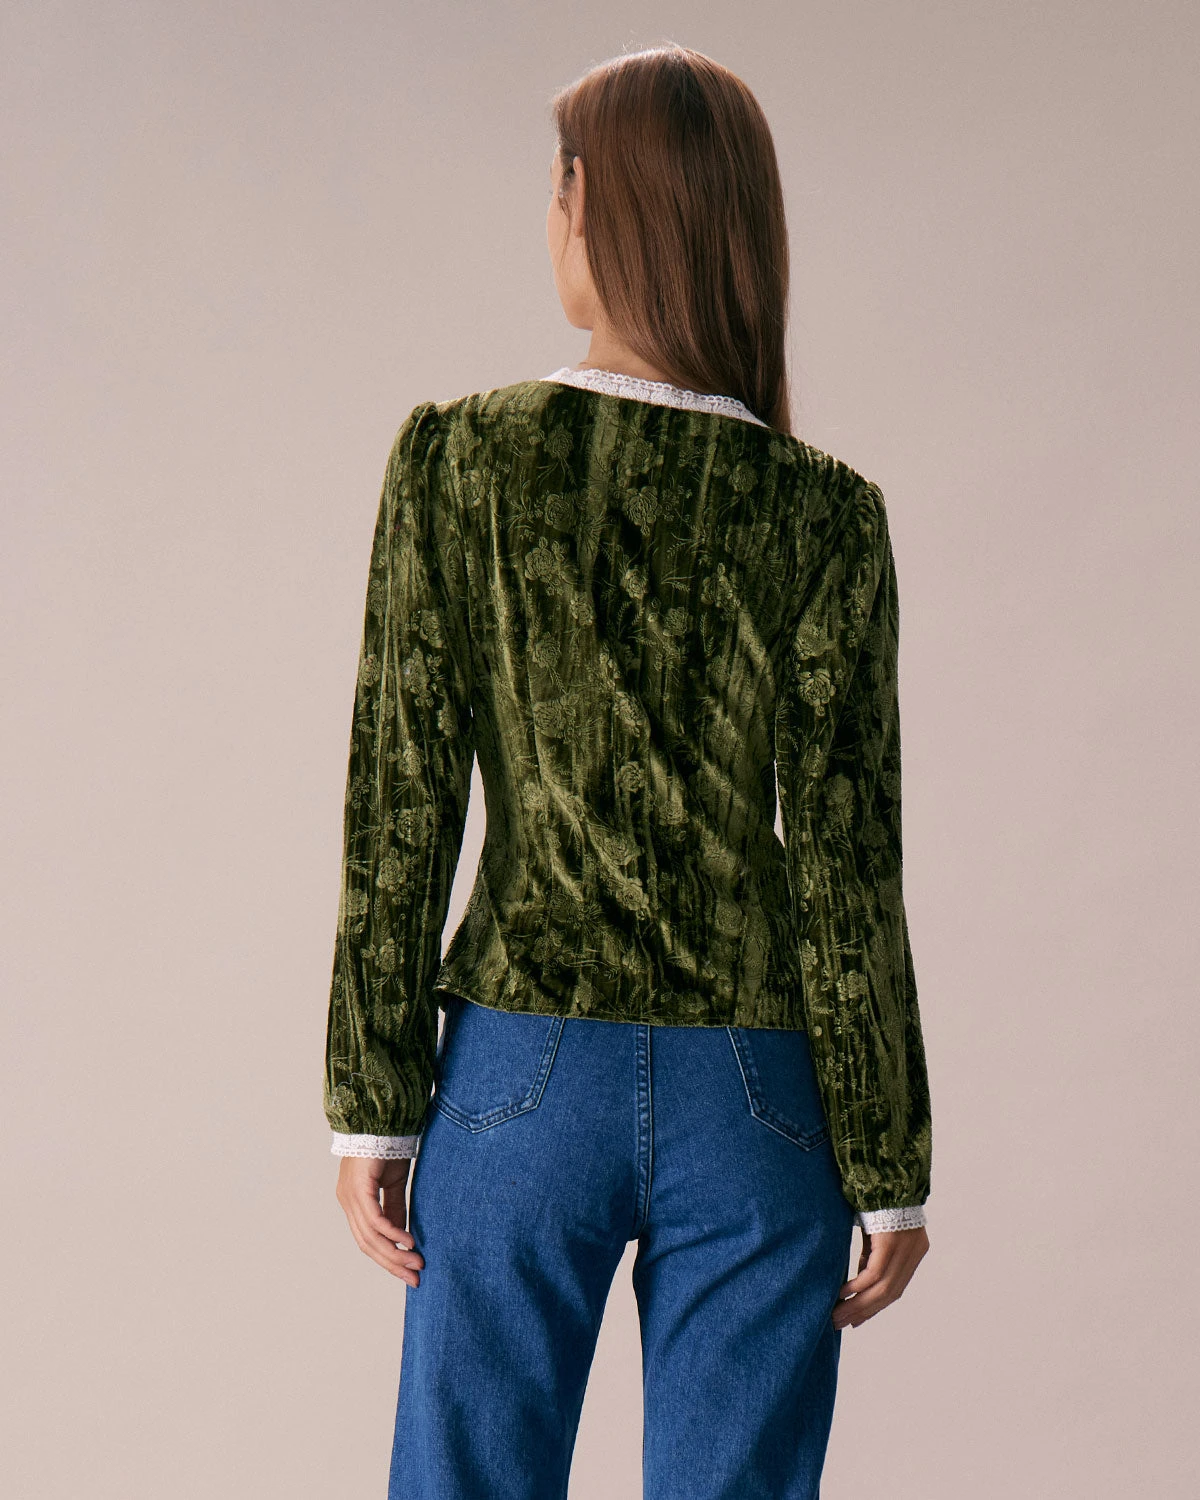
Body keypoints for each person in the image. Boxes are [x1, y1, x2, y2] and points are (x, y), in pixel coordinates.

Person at [323, 43, 932, 1500]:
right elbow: (847, 857)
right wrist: (889, 1158)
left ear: (596, 208)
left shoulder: (460, 462)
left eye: (558, 187)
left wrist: (371, 1099)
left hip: (519, 1076)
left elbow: (401, 800)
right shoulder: (825, 513)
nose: (549, 218)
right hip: (760, 1093)